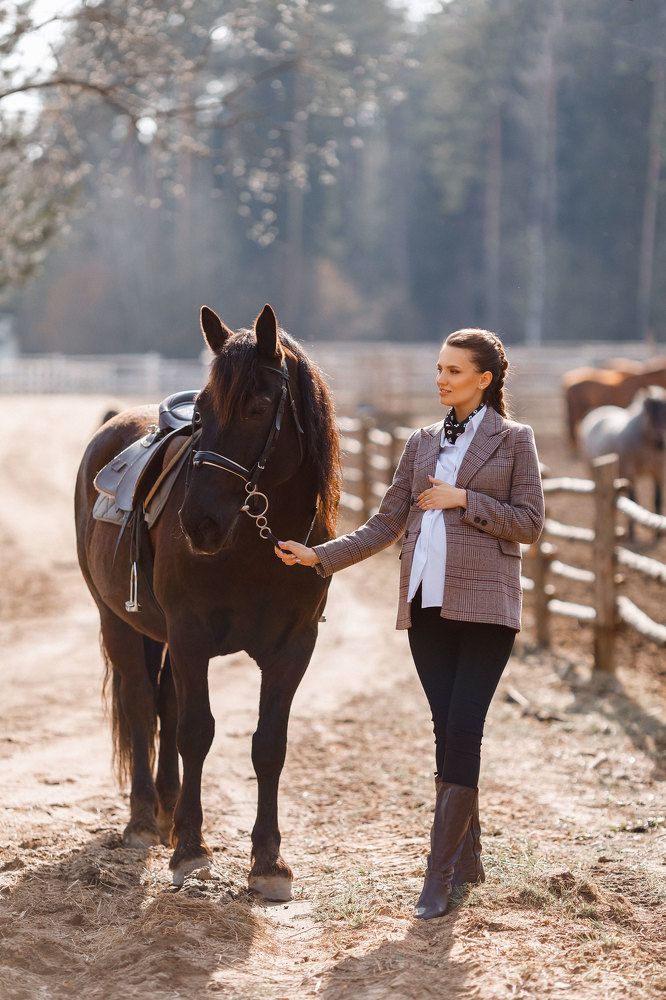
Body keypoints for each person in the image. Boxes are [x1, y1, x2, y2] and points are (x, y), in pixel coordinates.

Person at [275, 330, 545, 920]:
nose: (442, 379)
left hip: (485, 609)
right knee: (447, 730)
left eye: (454, 370)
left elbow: (529, 524)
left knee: (464, 727)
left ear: (485, 379)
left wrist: (461, 500)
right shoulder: (422, 442)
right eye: (439, 368)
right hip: (425, 605)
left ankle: (437, 876)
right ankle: (468, 855)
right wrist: (319, 555)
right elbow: (384, 523)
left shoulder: (515, 441)